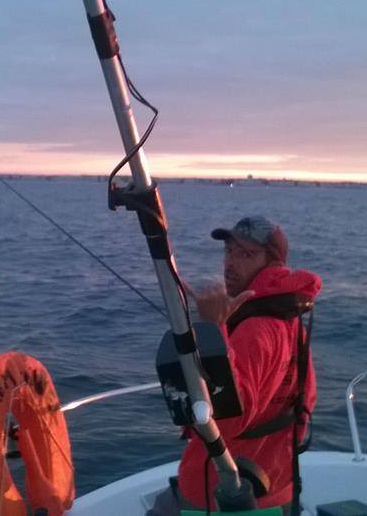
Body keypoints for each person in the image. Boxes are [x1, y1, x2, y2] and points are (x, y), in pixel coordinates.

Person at [148, 216, 322, 515]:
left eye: (246, 254)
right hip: (276, 482)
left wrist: (212, 329)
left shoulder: (256, 329)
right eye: (228, 251)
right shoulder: (289, 315)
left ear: (272, 262)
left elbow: (225, 421)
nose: (230, 262)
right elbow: (307, 396)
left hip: (221, 492)